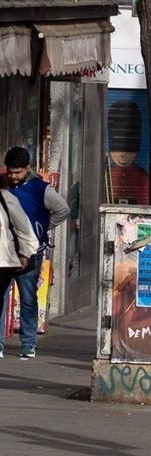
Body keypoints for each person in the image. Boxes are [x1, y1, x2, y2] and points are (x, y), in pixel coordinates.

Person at [3, 147, 70, 360]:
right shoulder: (2, 186)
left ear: (28, 169)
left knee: (28, 297)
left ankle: (28, 343)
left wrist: (42, 228)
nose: (13, 176)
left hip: (31, 252)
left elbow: (63, 210)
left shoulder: (41, 190)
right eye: (10, 172)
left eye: (18, 172)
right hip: (4, 251)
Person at [0, 185, 41, 348]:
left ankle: (28, 342)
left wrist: (25, 254)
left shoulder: (7, 198)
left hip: (6, 260)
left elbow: (27, 232)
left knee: (27, 298)